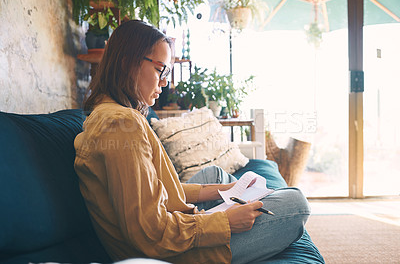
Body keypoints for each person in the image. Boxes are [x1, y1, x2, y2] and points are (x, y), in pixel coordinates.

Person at [74, 19, 310, 264]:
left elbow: (147, 191)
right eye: (160, 70)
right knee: (296, 204)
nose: (164, 82)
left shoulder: (113, 115)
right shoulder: (121, 126)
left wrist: (224, 190)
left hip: (169, 232)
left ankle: (236, 197)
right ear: (127, 63)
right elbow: (150, 233)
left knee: (215, 176)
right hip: (170, 254)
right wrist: (226, 221)